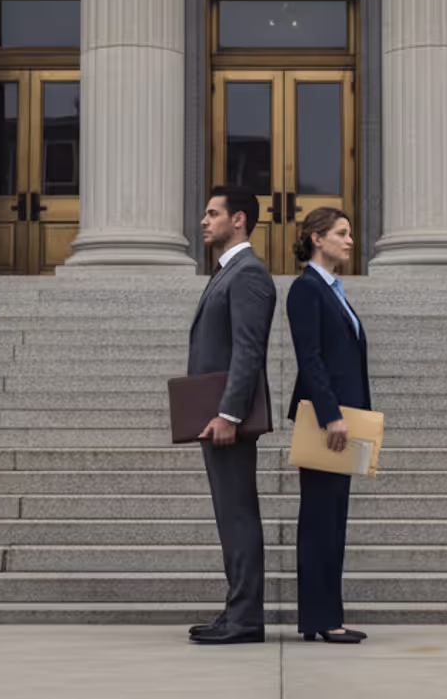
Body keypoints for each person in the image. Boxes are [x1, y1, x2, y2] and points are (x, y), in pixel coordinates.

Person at [186, 184, 276, 645]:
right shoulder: (226, 272)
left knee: (238, 515)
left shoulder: (248, 274)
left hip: (227, 422)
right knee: (230, 515)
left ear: (238, 220)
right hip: (216, 418)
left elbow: (248, 350)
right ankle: (236, 611)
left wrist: (229, 414)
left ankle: (245, 619)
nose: (204, 220)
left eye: (212, 213)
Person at [286, 206, 372, 644]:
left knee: (332, 520)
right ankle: (322, 619)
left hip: (345, 421)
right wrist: (331, 414)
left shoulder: (334, 290)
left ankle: (324, 617)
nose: (350, 241)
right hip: (328, 424)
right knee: (321, 521)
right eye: (342, 233)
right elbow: (311, 358)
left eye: (350, 233)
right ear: (317, 238)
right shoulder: (306, 290)